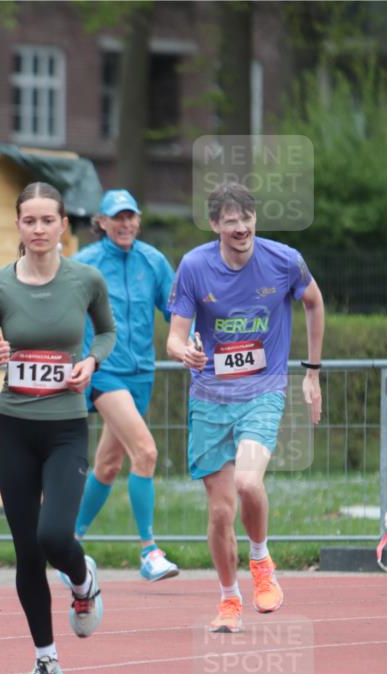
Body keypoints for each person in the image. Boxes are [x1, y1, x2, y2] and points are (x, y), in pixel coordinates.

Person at [0, 182, 116, 674]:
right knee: (27, 550)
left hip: (65, 428)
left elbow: (106, 332)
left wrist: (91, 362)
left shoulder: (86, 280)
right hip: (13, 427)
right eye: (29, 221)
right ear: (18, 225)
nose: (38, 229)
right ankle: (46, 660)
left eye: (47, 220)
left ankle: (83, 581)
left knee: (54, 535)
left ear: (63, 226)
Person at [166, 181, 324, 632]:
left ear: (256, 218)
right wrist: (185, 353)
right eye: (230, 220)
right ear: (215, 224)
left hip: (262, 390)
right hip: (210, 398)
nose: (241, 228)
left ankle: (260, 559)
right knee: (220, 512)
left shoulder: (284, 260)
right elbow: (174, 337)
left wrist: (312, 371)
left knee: (249, 482)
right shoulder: (195, 266)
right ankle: (229, 599)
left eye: (247, 218)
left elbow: (314, 303)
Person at [73, 189, 180, 582]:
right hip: (105, 372)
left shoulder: (153, 261)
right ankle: (149, 551)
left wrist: (192, 340)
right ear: (101, 223)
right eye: (117, 217)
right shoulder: (85, 264)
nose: (125, 224)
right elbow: (58, 310)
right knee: (145, 452)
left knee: (107, 465)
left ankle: (68, 542)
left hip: (142, 375)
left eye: (131, 216)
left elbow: (177, 310)